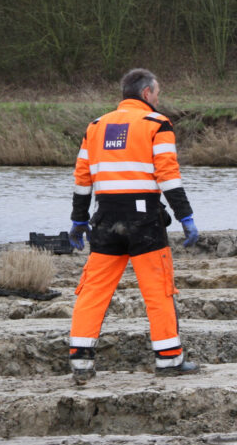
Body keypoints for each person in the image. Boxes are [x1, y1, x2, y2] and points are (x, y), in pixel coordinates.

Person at [66, 68, 200, 384]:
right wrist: (186, 216)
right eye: (157, 92)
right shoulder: (157, 125)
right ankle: (168, 359)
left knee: (93, 291)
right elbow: (168, 175)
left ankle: (81, 361)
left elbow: (83, 179)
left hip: (105, 219)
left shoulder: (96, 127)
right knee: (158, 290)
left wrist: (78, 219)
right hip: (145, 221)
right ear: (146, 94)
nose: (158, 97)